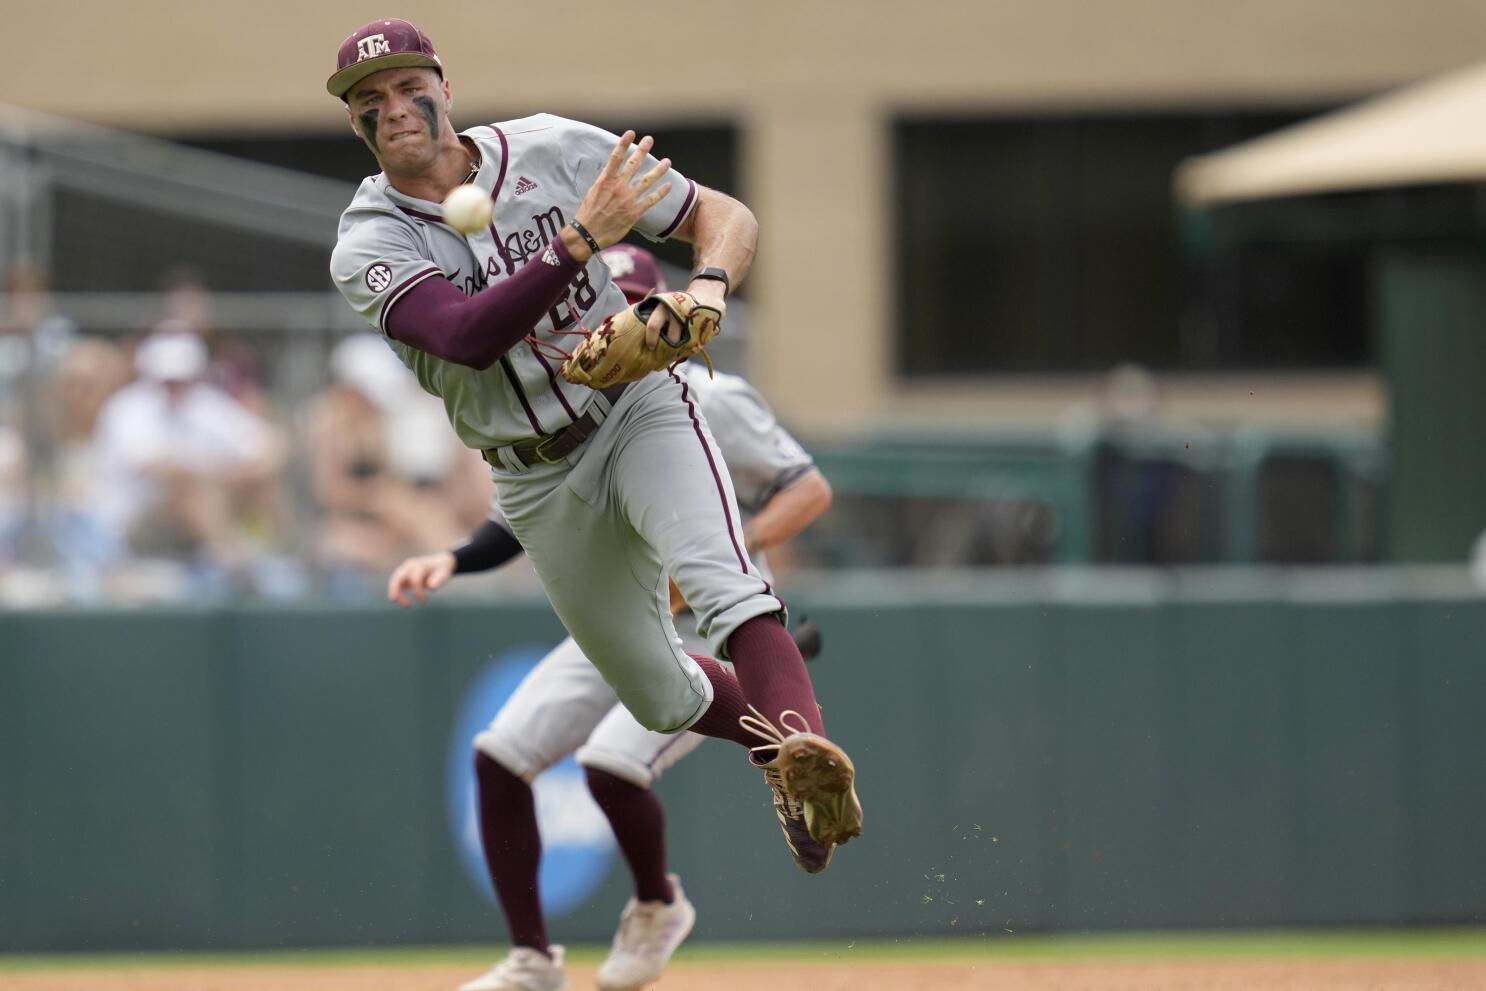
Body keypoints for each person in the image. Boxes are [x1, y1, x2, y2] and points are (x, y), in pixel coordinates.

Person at [326, 14, 861, 911]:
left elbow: (723, 217)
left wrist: (709, 287)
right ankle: (788, 760)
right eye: (368, 102)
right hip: (531, 470)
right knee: (658, 695)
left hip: (636, 406)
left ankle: (812, 756)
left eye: (407, 86)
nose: (394, 108)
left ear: (444, 87)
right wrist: (576, 241)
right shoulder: (367, 238)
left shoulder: (550, 148)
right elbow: (465, 337)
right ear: (357, 126)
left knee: (728, 587)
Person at [387, 247, 833, 991]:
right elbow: (510, 517)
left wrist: (720, 552)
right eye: (607, 300)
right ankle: (532, 959)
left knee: (612, 765)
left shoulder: (708, 393)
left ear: (658, 312)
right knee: (500, 755)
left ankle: (679, 881)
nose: (615, 318)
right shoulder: (564, 397)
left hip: (706, 620)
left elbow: (808, 489)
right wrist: (455, 560)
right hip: (616, 609)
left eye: (631, 302)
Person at [89, 329, 283, 571]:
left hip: (204, 508)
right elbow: (160, 468)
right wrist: (219, 474)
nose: (175, 387)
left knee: (259, 485)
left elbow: (271, 448)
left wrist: (235, 476)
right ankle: (237, 564)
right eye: (167, 379)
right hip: (129, 522)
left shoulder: (208, 404)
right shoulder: (127, 409)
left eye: (181, 378)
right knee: (190, 491)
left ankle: (275, 556)